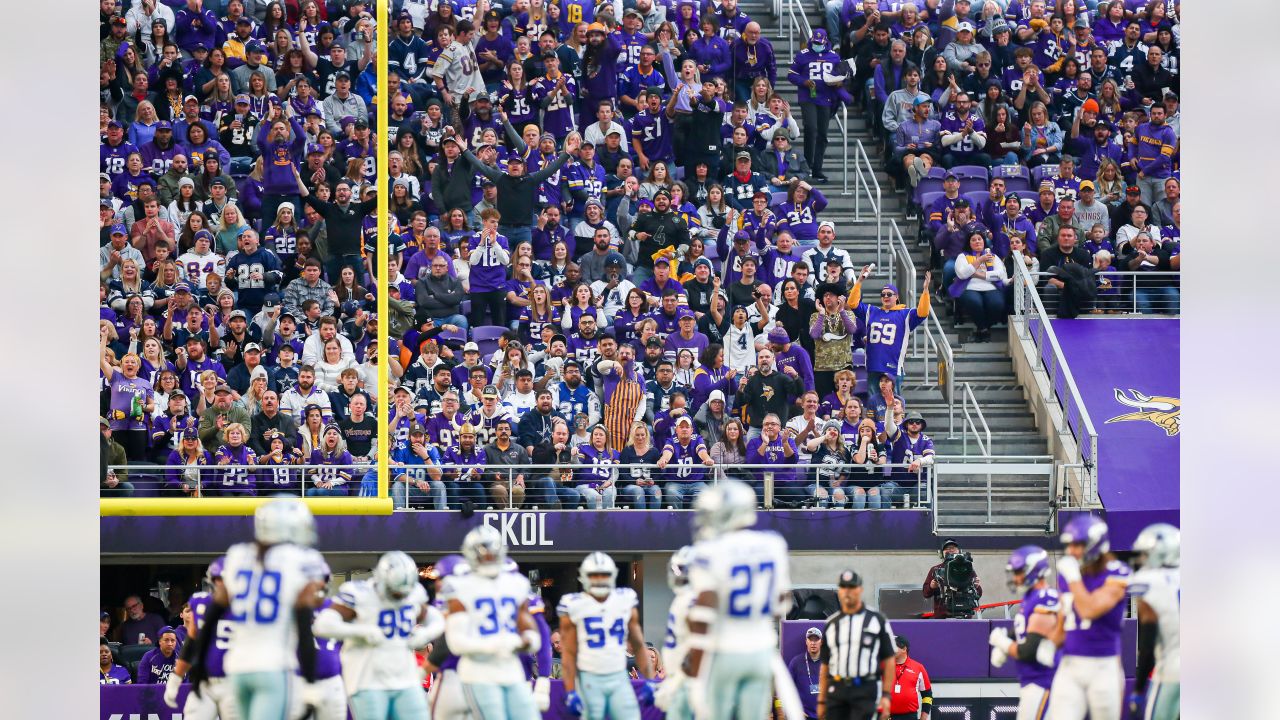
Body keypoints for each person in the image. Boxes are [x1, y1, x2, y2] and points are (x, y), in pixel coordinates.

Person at [184, 499, 328, 720]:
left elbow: (212, 616)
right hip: (273, 667)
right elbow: (304, 628)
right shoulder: (301, 560)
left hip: (237, 668)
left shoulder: (238, 555)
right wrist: (310, 682)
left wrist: (199, 662)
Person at [685, 480, 795, 720]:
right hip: (761, 652)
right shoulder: (772, 544)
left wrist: (695, 678)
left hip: (725, 651)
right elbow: (782, 603)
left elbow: (703, 616)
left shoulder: (711, 551)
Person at [313, 551, 446, 719]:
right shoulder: (361, 594)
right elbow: (323, 624)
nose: (398, 596)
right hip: (368, 680)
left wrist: (425, 634)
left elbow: (436, 619)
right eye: (394, 590)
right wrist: (361, 631)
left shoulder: (412, 594)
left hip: (405, 678)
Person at [442, 526, 544, 720]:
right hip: (478, 673)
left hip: (510, 668)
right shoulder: (458, 586)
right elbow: (456, 643)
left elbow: (525, 621)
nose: (488, 556)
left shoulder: (516, 583)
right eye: (482, 552)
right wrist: (495, 644)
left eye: (491, 551)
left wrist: (530, 639)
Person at [1045, 516, 1131, 720]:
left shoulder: (1117, 573)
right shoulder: (1069, 574)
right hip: (1070, 664)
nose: (1072, 551)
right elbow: (1064, 620)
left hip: (1104, 665)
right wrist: (1048, 644)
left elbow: (1089, 610)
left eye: (1078, 545)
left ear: (1095, 544)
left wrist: (1074, 578)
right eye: (1070, 544)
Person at [558, 553, 655, 720]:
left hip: (618, 675)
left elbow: (638, 644)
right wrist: (570, 690)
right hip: (589, 677)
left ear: (613, 575)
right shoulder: (573, 604)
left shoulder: (624, 600)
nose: (599, 579)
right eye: (594, 575)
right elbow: (569, 652)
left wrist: (651, 680)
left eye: (604, 574)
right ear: (583, 576)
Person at [989, 546, 1060, 720]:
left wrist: (1003, 643)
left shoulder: (1045, 598)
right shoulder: (1031, 597)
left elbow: (1028, 651)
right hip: (1033, 681)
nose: (1015, 577)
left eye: (1019, 571)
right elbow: (1024, 629)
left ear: (1034, 570)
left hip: (1045, 681)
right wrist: (1008, 639)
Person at [816, 569, 896, 720]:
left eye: (851, 587)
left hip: (864, 688)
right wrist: (821, 700)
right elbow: (825, 665)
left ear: (860, 590)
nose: (847, 591)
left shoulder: (877, 620)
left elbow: (889, 659)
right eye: (843, 587)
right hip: (837, 689)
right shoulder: (831, 624)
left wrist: (886, 695)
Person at [846, 266, 931, 394]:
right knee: (875, 404)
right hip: (874, 365)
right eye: (883, 294)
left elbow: (923, 312)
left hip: (893, 367)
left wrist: (925, 290)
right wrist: (859, 282)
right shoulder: (872, 311)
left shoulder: (905, 314)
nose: (886, 296)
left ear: (896, 297)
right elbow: (852, 304)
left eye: (889, 294)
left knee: (893, 404)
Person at [1126, 524, 1180, 720]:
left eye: (1146, 554)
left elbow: (1147, 645)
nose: (1142, 559)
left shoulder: (1148, 581)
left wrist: (1139, 689)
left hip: (1173, 670)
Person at [922, 539, 982, 619]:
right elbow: (925, 593)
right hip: (942, 616)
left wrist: (976, 586)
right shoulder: (936, 569)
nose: (950, 550)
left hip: (964, 614)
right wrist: (931, 586)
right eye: (947, 548)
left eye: (953, 548)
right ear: (941, 553)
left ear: (959, 551)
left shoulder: (967, 567)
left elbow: (978, 594)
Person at [888, 635, 933, 720]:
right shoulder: (885, 666)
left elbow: (927, 696)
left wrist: (923, 718)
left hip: (910, 716)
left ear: (904, 649)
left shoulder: (918, 668)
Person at [787, 628, 825, 720]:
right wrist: (796, 710)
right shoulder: (796, 662)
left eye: (816, 639)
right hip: (804, 715)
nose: (813, 643)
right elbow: (787, 688)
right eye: (810, 639)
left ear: (821, 642)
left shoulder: (828, 662)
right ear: (806, 642)